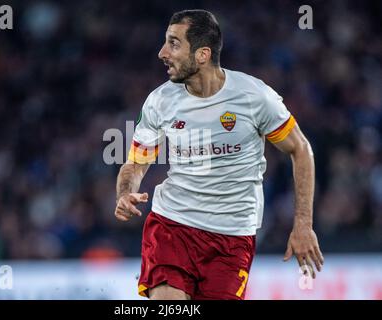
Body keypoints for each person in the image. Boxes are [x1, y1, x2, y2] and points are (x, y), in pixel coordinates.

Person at [114, 9, 324, 300]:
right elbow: (136, 163)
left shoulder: (254, 97)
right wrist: (125, 192)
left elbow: (300, 150)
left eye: (174, 43)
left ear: (202, 54)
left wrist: (303, 225)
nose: (162, 52)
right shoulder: (159, 102)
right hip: (172, 226)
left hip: (233, 237)